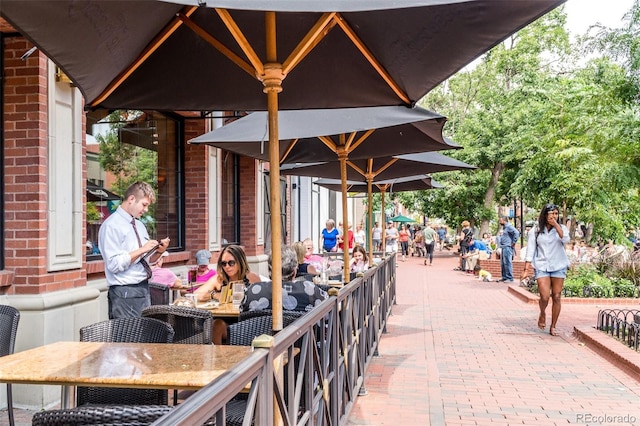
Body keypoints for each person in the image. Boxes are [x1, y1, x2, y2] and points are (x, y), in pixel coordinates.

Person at [99, 181, 170, 319]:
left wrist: (159, 251)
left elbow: (146, 260)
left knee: (143, 338)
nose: (146, 210)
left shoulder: (139, 225)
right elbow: (114, 264)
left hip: (143, 288)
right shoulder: (111, 226)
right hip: (124, 292)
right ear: (131, 199)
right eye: (144, 204)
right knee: (127, 338)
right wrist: (142, 249)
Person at [522, 204, 570, 336]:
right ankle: (542, 313)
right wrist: (526, 268)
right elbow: (530, 249)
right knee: (544, 296)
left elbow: (565, 239)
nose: (554, 216)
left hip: (558, 266)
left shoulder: (562, 228)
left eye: (556, 213)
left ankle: (553, 326)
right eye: (551, 214)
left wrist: (556, 225)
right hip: (542, 265)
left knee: (556, 296)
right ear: (545, 215)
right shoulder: (536, 230)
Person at [240, 245, 328, 313]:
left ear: (269, 271)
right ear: (294, 271)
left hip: (261, 336)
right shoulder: (310, 289)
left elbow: (241, 315)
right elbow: (328, 314)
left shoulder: (251, 291)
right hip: (303, 336)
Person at [194, 245, 261, 302]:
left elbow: (261, 300)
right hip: (225, 315)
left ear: (240, 262)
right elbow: (196, 294)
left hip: (247, 315)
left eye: (231, 263)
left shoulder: (252, 278)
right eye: (224, 263)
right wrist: (214, 295)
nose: (227, 267)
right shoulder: (219, 279)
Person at [497, 216, 520, 282]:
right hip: (503, 247)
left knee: (507, 262)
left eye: (500, 220)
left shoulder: (509, 226)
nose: (500, 222)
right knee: (503, 263)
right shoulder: (505, 228)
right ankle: (504, 277)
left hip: (508, 247)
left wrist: (513, 242)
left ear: (504, 220)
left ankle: (509, 278)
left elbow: (516, 233)